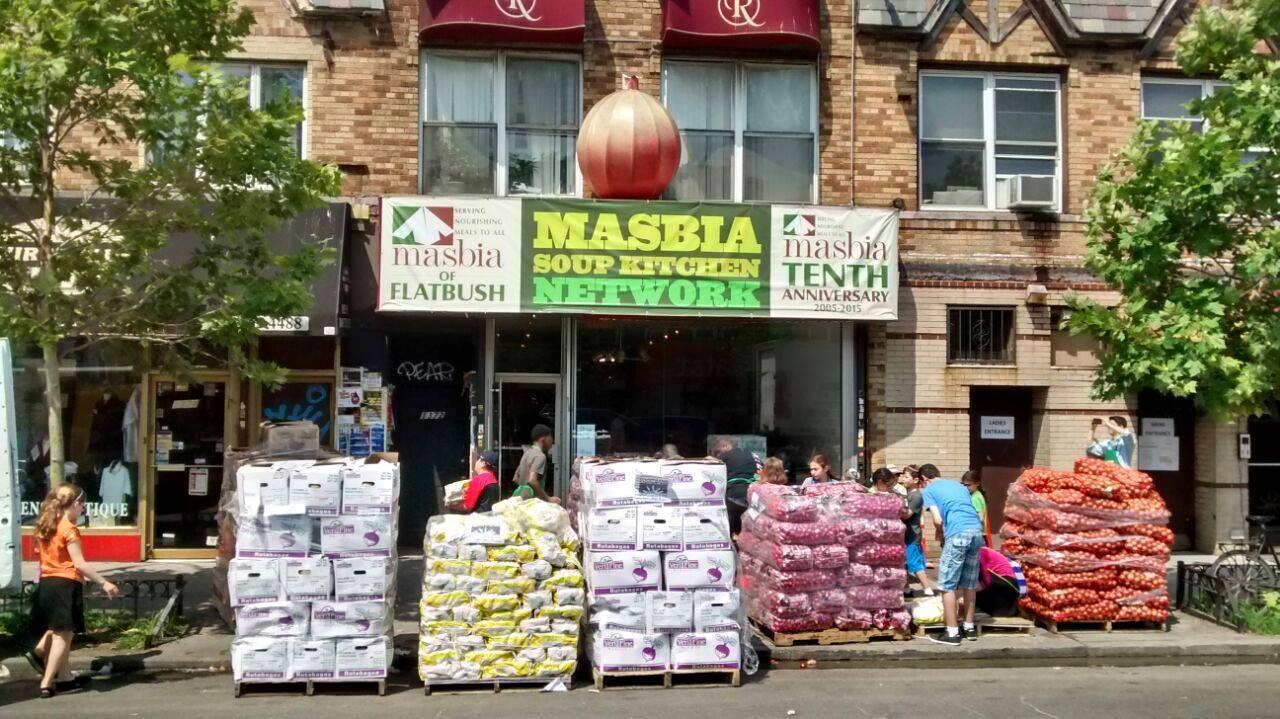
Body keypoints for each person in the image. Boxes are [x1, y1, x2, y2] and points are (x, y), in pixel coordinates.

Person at [26, 484, 119, 698]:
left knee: (62, 633)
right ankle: (47, 682)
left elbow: (38, 551)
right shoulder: (69, 529)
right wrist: (104, 582)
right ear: (76, 504)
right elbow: (80, 564)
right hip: (66, 584)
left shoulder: (45, 525)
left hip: (47, 583)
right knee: (62, 635)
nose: (83, 510)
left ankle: (65, 677)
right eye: (82, 506)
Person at [919, 463, 986, 645]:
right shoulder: (958, 486)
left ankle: (952, 632)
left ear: (924, 479)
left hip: (957, 534)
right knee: (969, 583)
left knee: (947, 584)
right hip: (976, 532)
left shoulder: (929, 490)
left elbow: (938, 519)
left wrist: (939, 532)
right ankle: (969, 628)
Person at [899, 468, 935, 597]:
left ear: (915, 480)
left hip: (911, 536)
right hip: (906, 535)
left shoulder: (916, 496)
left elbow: (907, 515)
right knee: (904, 564)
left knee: (915, 563)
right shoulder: (909, 494)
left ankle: (928, 589)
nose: (903, 479)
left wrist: (895, 507)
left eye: (907, 477)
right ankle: (906, 589)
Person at [716, 438, 761, 536]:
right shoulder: (754, 456)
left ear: (726, 446)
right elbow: (760, 473)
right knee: (752, 528)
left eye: (718, 451)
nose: (718, 454)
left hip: (735, 495)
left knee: (731, 527)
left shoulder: (726, 456)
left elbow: (713, 466)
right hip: (755, 496)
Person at [512, 425, 560, 504]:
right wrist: (548, 498)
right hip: (532, 503)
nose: (552, 443)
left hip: (520, 501)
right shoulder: (540, 456)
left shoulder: (527, 453)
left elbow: (515, 478)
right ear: (543, 439)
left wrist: (524, 490)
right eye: (551, 439)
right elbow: (532, 480)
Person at [975, 546, 1026, 618]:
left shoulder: (981, 553)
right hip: (1004, 583)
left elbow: (986, 580)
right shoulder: (982, 551)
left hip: (1005, 583)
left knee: (973, 596)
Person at [961, 469, 992, 547]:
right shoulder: (977, 495)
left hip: (976, 534)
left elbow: (980, 517)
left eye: (969, 485)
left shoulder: (975, 498)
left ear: (977, 483)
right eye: (964, 485)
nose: (966, 487)